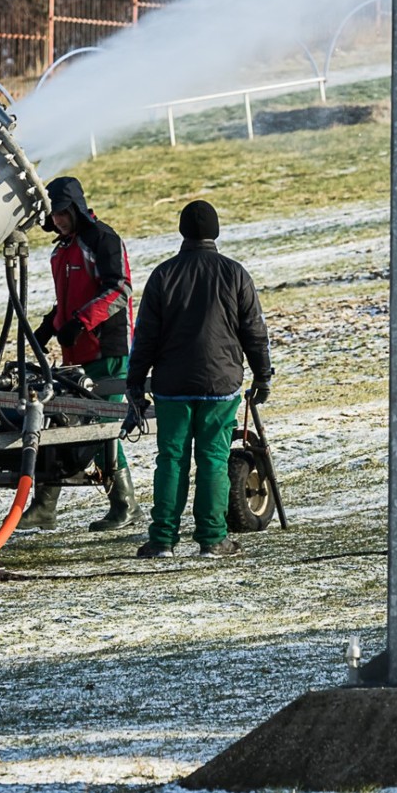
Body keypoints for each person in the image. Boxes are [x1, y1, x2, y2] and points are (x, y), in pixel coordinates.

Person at [127, 199, 272, 559]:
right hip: (220, 384)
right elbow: (253, 330)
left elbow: (145, 335)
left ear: (182, 232)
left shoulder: (163, 274)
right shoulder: (235, 273)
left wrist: (134, 382)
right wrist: (262, 375)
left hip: (172, 385)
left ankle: (162, 539)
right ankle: (212, 539)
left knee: (171, 458)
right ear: (216, 232)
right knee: (213, 459)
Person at [18, 175, 141, 532]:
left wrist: (80, 322)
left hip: (107, 349)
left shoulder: (102, 239)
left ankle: (125, 505)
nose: (56, 220)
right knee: (62, 424)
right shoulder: (62, 249)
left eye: (61, 212)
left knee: (103, 429)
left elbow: (120, 290)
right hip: (76, 351)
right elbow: (68, 301)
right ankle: (44, 508)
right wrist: (49, 327)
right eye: (52, 215)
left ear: (75, 207)